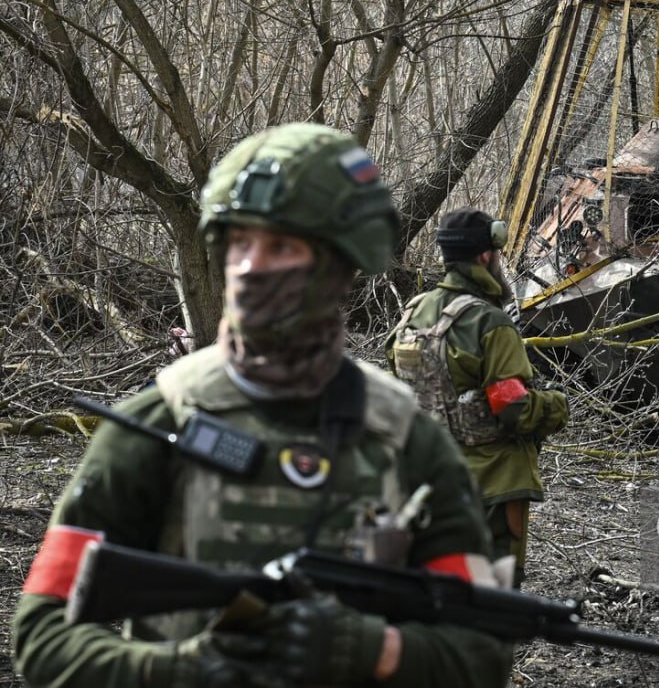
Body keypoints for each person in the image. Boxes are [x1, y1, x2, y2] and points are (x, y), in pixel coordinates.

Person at [12, 123, 512, 687]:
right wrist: (182, 670)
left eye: (281, 247)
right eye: (240, 244)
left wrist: (376, 650)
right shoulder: (159, 422)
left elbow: (483, 652)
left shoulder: (406, 440)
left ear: (340, 265)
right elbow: (43, 636)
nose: (250, 267)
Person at [387, 208, 568, 588]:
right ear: (486, 256)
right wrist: (555, 405)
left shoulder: (414, 313)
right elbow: (513, 407)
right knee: (491, 595)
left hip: (427, 479)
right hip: (492, 485)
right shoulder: (490, 323)